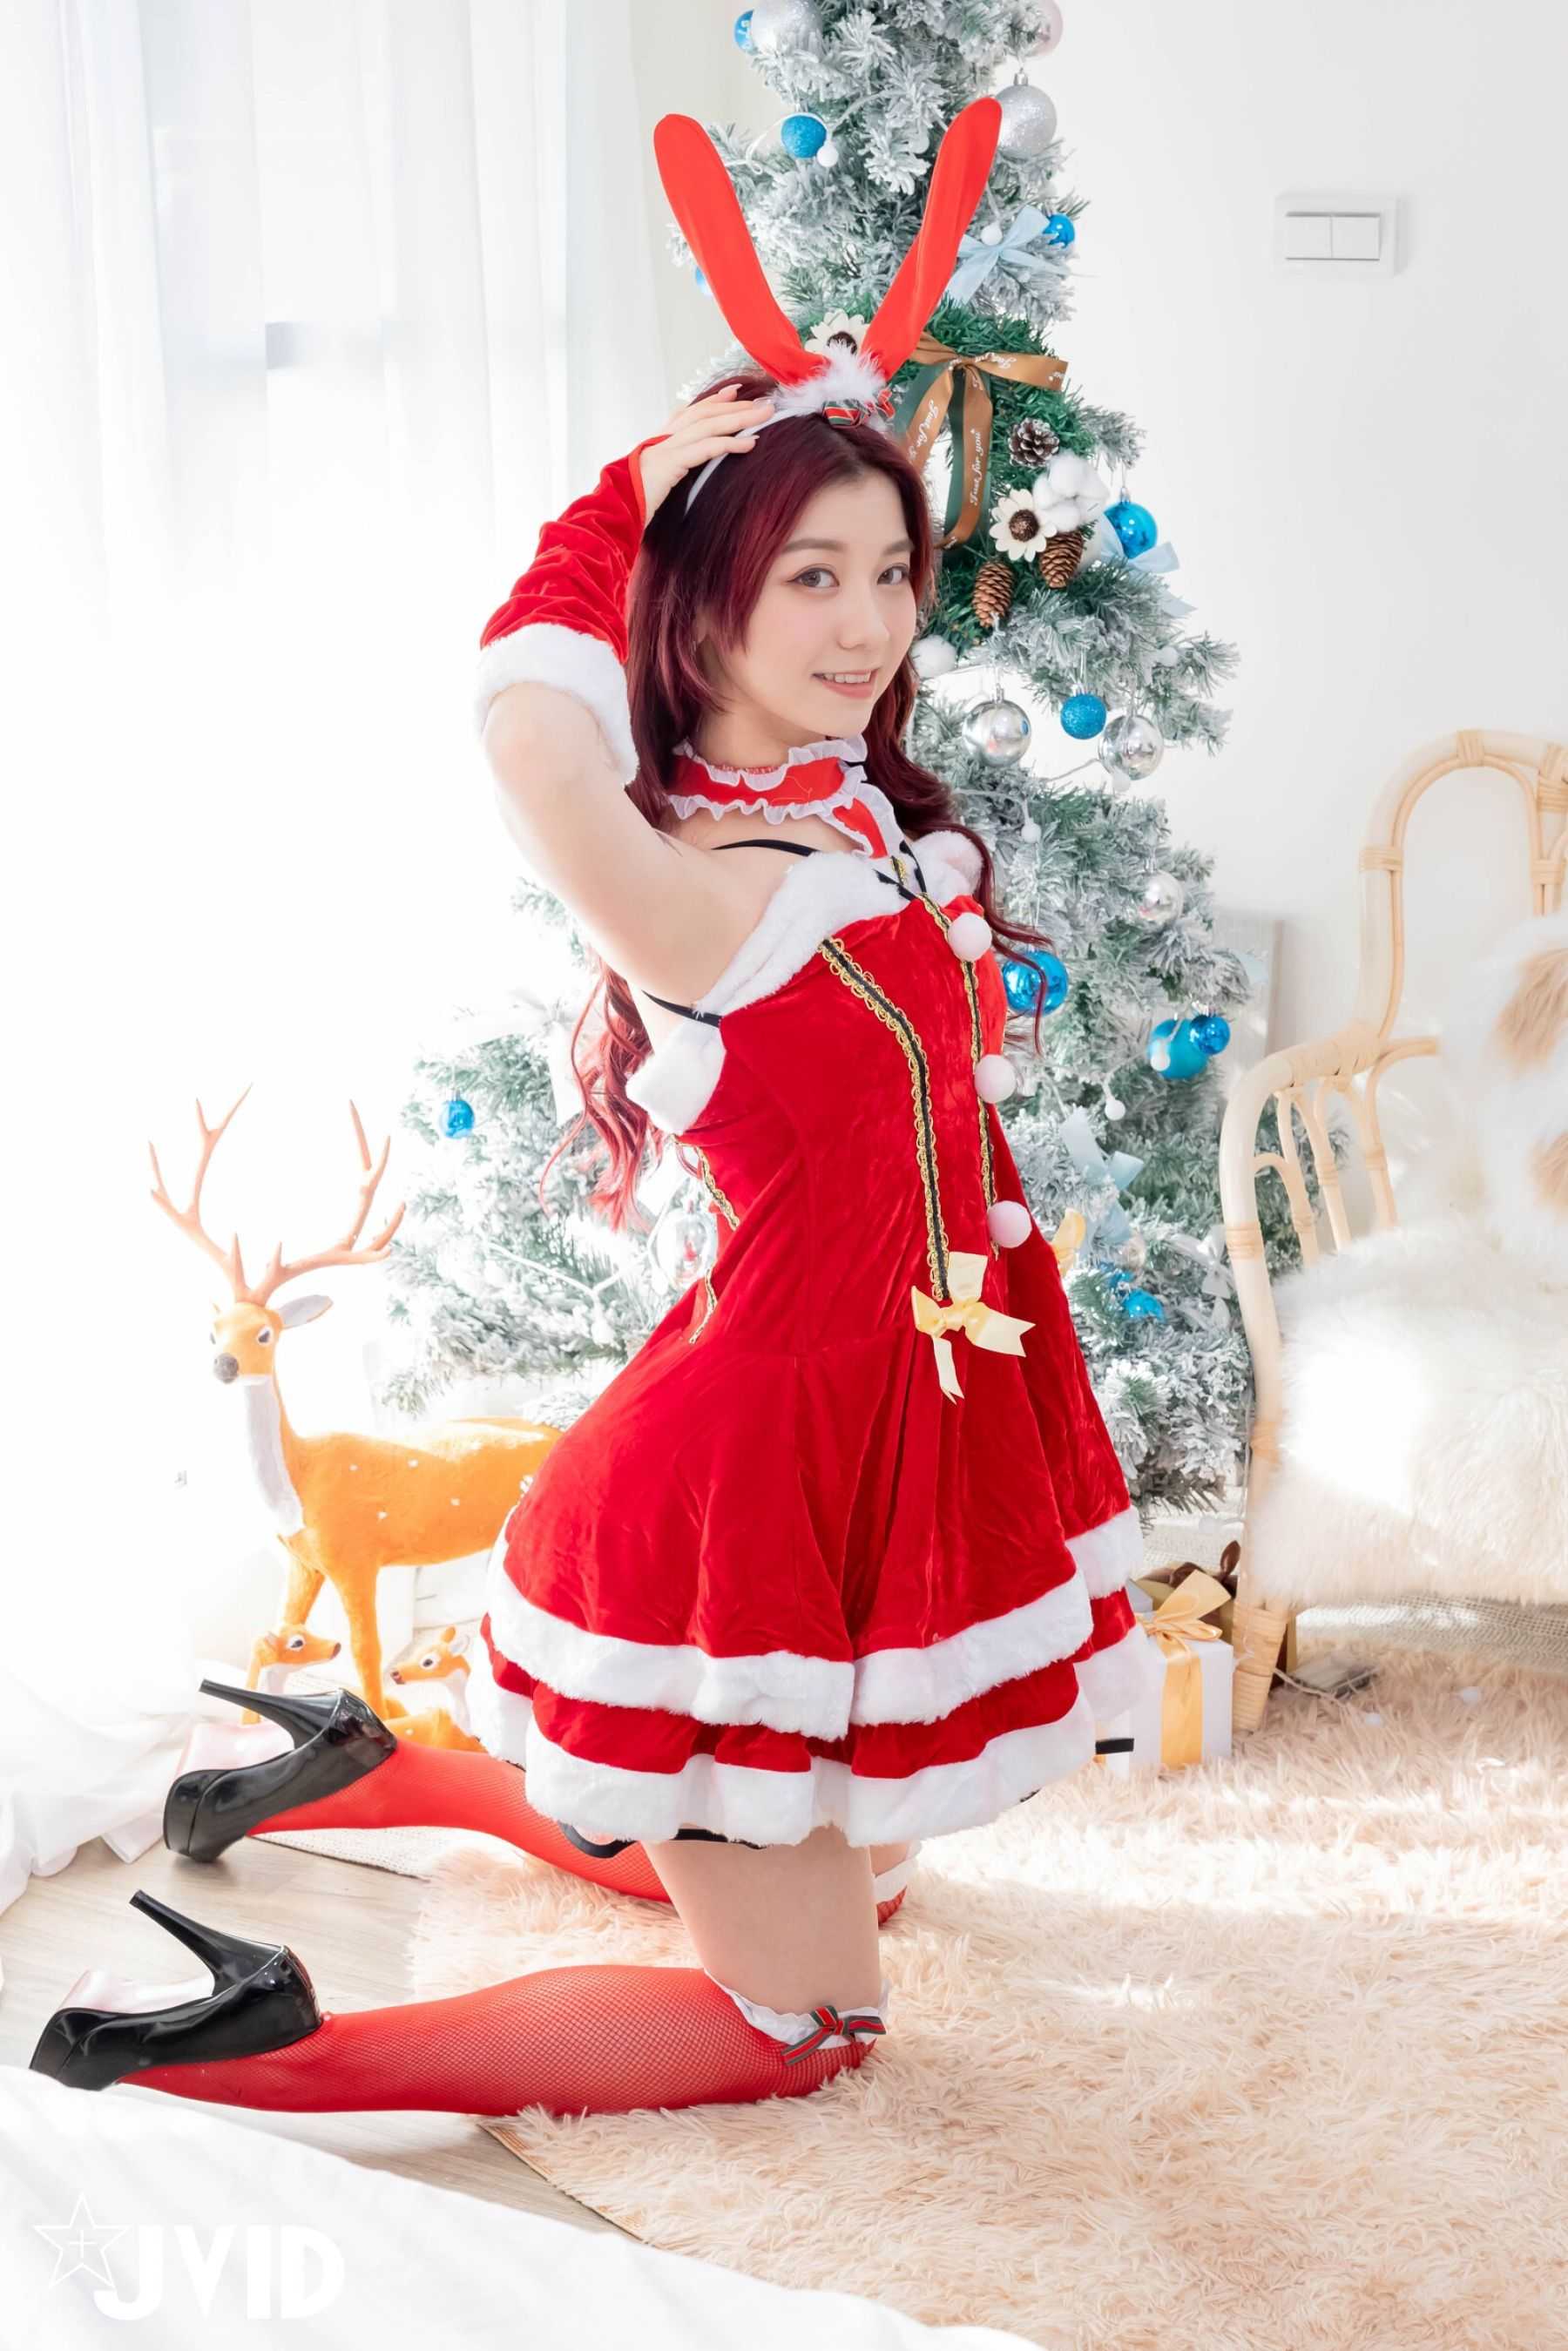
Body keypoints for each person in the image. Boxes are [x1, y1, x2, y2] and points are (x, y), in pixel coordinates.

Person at [30, 97, 1159, 2124]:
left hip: (867, 1432)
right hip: (740, 1502)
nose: (867, 625)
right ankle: (266, 2046)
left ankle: (377, 1771)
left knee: (859, 1870)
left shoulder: (848, 819)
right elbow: (534, 744)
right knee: (809, 2024)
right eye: (807, 576)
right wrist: (626, 491)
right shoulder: (696, 887)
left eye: (888, 572)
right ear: (699, 599)